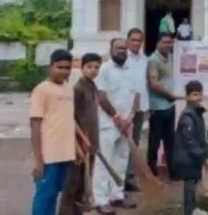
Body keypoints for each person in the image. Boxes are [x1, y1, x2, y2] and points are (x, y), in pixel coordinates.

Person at [93, 39, 138, 213]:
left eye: (124, 48)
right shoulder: (104, 69)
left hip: (126, 124)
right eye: (118, 48)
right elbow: (102, 97)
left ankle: (117, 196)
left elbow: (136, 96)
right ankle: (101, 200)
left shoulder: (131, 69)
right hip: (108, 123)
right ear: (111, 50)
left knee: (121, 161)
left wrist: (130, 118)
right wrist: (116, 117)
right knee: (104, 162)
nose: (122, 51)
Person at [29, 49, 75, 215]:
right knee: (45, 195)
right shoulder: (41, 90)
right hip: (49, 155)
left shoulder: (69, 89)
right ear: (50, 67)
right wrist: (38, 160)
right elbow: (35, 125)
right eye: (60, 67)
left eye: (67, 68)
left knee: (56, 193)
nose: (64, 71)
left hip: (66, 153)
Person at [59, 53, 102, 215]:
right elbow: (71, 118)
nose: (93, 70)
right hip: (78, 143)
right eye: (89, 67)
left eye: (96, 67)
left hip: (91, 142)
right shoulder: (78, 89)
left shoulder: (92, 86)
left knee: (84, 185)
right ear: (82, 67)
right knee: (73, 183)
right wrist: (79, 143)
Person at [173, 80, 208, 215]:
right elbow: (190, 141)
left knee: (193, 184)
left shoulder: (196, 113)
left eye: (199, 94)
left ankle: (193, 209)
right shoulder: (188, 116)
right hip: (187, 158)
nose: (198, 98)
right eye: (194, 95)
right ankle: (189, 211)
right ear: (187, 97)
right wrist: (202, 156)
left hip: (192, 157)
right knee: (189, 186)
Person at [147, 32, 180, 179]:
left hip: (169, 106)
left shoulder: (171, 57)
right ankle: (151, 170)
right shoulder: (153, 60)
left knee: (170, 140)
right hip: (158, 106)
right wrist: (169, 96)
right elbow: (153, 83)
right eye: (165, 42)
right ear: (158, 43)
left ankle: (172, 170)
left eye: (171, 43)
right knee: (155, 140)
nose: (168, 45)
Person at [122, 29, 149, 193]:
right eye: (133, 40)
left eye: (139, 40)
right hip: (124, 110)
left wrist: (146, 109)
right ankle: (118, 178)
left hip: (139, 109)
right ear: (127, 41)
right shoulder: (121, 59)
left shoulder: (145, 60)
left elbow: (143, 86)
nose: (136, 43)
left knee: (135, 144)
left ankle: (129, 178)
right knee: (121, 145)